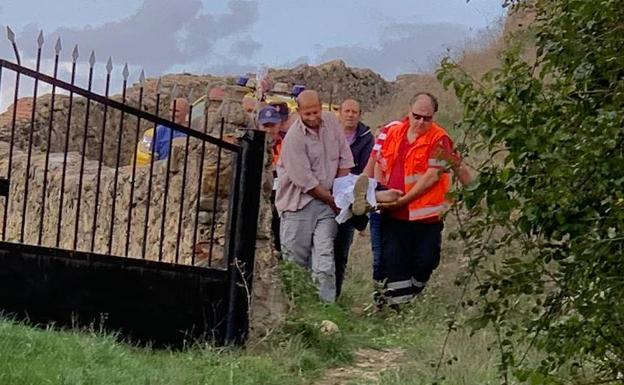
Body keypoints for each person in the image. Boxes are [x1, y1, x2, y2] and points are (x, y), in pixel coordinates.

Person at [373, 92, 458, 307]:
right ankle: (397, 312)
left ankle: (410, 296)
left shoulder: (440, 139)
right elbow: (378, 162)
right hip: (393, 215)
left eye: (426, 118)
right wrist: (376, 193)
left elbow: (432, 176)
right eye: (417, 116)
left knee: (426, 261)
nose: (421, 122)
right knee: (393, 263)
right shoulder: (393, 132)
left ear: (434, 117)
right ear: (408, 112)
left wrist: (404, 200)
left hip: (426, 218)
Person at [276, 90, 354, 303]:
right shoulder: (293, 138)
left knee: (325, 256)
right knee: (295, 262)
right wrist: (333, 200)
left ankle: (325, 308)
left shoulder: (331, 123)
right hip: (298, 205)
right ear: (299, 112)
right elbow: (306, 182)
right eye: (307, 113)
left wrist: (340, 192)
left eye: (316, 112)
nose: (312, 117)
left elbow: (345, 160)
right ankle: (297, 308)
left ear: (322, 108)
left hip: (327, 205)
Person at [333, 99, 374, 298]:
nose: (350, 115)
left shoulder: (366, 139)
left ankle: (335, 296)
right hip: (326, 197)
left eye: (354, 112)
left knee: (341, 250)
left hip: (350, 203)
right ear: (339, 112)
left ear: (360, 114)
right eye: (347, 111)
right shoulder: (328, 133)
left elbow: (367, 170)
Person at [257, 104, 290, 256]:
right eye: (265, 126)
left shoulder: (288, 143)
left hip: (282, 196)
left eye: (272, 125)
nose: (269, 130)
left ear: (280, 125)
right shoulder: (254, 145)